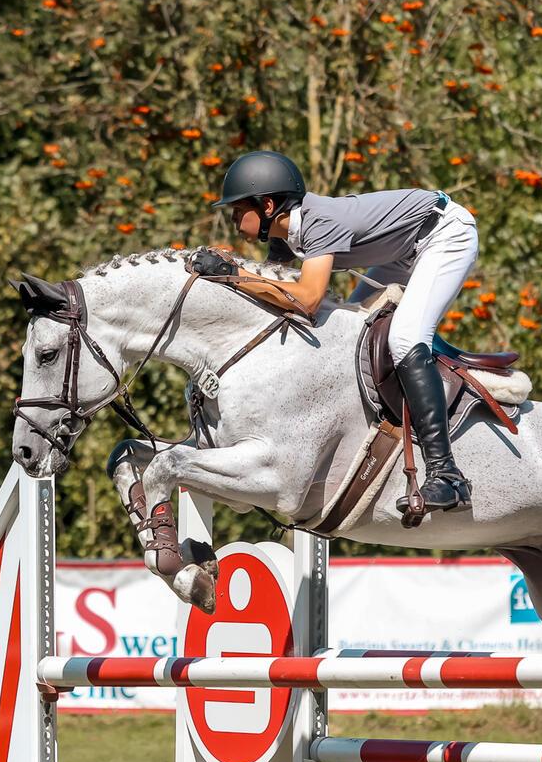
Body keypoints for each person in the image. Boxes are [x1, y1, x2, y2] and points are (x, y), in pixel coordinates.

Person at [194, 149, 478, 517]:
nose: (232, 219)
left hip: (443, 234)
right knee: (353, 331)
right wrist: (234, 278)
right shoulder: (285, 234)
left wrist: (233, 274)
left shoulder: (316, 222)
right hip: (401, 250)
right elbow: (272, 295)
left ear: (266, 206)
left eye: (237, 210)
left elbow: (308, 300)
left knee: (405, 338)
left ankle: (447, 475)